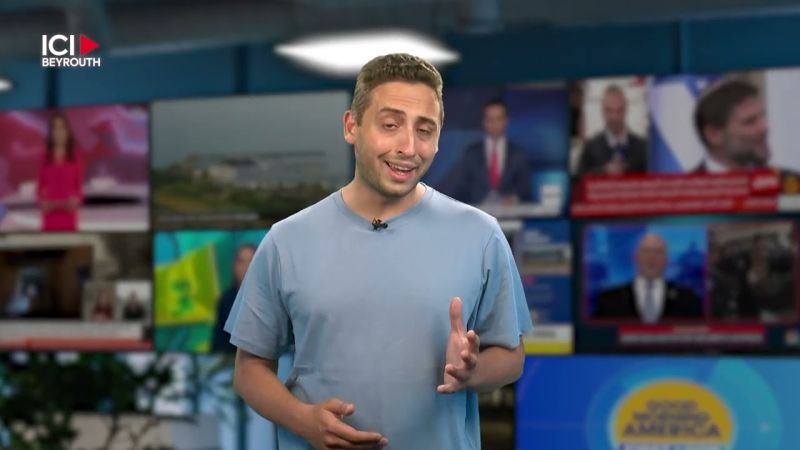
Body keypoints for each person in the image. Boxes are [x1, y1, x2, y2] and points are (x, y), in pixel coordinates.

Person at [225, 53, 532, 450]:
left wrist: (472, 372)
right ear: (351, 126)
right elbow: (250, 369)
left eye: (425, 130)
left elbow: (511, 357)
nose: (409, 146)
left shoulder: (481, 235)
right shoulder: (286, 241)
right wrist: (304, 420)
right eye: (391, 125)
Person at [693, 79, 800, 184]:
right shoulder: (686, 189)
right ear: (713, 135)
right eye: (750, 121)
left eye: (762, 117)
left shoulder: (790, 184)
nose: (764, 127)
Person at [593, 233, 702, 323]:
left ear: (667, 260)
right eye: (646, 251)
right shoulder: (609, 300)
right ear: (635, 257)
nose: (651, 257)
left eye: (658, 252)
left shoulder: (688, 300)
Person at [444, 99, 532, 204]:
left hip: (510, 212)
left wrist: (513, 199)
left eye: (499, 119)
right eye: (490, 119)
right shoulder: (471, 153)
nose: (495, 124)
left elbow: (525, 190)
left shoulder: (518, 153)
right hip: (477, 212)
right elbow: (461, 189)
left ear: (507, 121)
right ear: (484, 122)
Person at [575, 84, 648, 176]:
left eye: (619, 110)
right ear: (603, 112)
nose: (614, 116)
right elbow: (580, 178)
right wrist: (604, 171)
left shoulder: (642, 148)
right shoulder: (590, 147)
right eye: (609, 111)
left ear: (626, 110)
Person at [37, 111, 84, 231]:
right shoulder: (44, 158)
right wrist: (43, 202)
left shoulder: (75, 157)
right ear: (51, 133)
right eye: (55, 128)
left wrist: (76, 200)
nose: (59, 132)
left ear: (68, 131)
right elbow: (39, 189)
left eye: (62, 127)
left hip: (69, 218)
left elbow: (79, 190)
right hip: (49, 219)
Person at [211, 243, 256, 352]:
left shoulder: (271, 300)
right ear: (233, 266)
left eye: (251, 261)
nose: (246, 267)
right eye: (241, 262)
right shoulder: (225, 301)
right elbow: (219, 343)